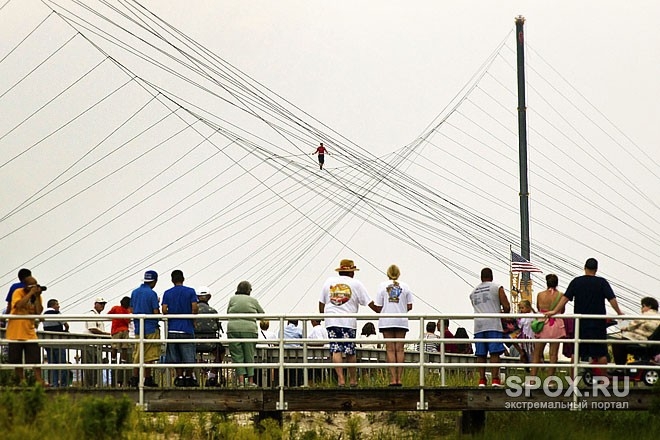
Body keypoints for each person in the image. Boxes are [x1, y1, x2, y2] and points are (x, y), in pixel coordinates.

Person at [546, 258, 623, 369]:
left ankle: (573, 381)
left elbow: (565, 298)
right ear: (596, 269)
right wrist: (619, 312)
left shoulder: (576, 282)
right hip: (598, 323)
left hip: (580, 323)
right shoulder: (602, 282)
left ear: (585, 268)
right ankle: (603, 381)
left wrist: (554, 311)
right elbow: (612, 299)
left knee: (576, 352)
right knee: (601, 353)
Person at [319, 258, 378, 387]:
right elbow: (369, 303)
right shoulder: (356, 284)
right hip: (348, 321)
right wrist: (381, 310)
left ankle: (340, 379)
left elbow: (321, 302)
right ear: (352, 272)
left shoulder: (329, 282)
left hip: (332, 320)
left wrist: (324, 317)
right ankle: (352, 379)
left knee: (336, 349)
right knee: (350, 350)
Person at [372, 264, 413, 387]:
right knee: (400, 349)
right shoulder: (405, 287)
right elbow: (410, 306)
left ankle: (392, 379)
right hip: (401, 320)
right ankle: (399, 379)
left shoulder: (382, 286)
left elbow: (378, 306)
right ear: (398, 274)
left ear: (388, 274)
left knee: (390, 349)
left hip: (387, 320)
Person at [469, 267, 511, 387]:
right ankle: (495, 380)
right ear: (491, 276)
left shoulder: (473, 292)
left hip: (478, 325)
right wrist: (503, 314)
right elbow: (506, 306)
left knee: (481, 354)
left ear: (481, 277)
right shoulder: (497, 287)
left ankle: (482, 380)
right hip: (493, 324)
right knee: (494, 353)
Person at [162, 269, 199, 387]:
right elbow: (194, 308)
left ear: (172, 280)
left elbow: (164, 310)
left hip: (172, 328)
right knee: (189, 355)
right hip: (186, 328)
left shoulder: (167, 293)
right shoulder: (190, 291)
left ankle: (179, 376)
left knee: (175, 356)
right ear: (183, 279)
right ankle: (188, 376)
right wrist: (193, 320)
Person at [6, 275, 44, 385]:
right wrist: (30, 293)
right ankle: (21, 381)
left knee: (35, 358)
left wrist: (36, 296)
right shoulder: (18, 292)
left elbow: (38, 311)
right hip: (15, 331)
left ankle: (39, 381)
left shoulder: (36, 296)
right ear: (26, 286)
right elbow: (19, 305)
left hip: (30, 331)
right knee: (16, 359)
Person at [226, 281, 264, 387]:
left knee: (237, 355)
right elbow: (262, 315)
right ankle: (250, 382)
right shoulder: (253, 300)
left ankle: (241, 381)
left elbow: (228, 312)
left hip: (233, 328)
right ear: (249, 290)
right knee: (249, 355)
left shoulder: (232, 299)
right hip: (249, 329)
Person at [128, 270, 161, 388]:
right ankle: (147, 379)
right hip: (151, 327)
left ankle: (134, 378)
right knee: (150, 355)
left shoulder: (135, 292)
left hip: (138, 328)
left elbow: (131, 309)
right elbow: (155, 312)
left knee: (137, 354)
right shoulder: (152, 294)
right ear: (154, 281)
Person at [530, 274, 566, 379]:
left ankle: (532, 379)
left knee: (537, 353)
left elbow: (538, 307)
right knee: (553, 354)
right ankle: (550, 380)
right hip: (556, 324)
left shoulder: (540, 295)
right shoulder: (561, 295)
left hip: (543, 323)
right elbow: (562, 311)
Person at [610, 296, 660, 366]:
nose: (641, 309)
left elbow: (633, 324)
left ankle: (620, 368)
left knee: (618, 344)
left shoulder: (648, 314)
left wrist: (625, 328)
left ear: (649, 306)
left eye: (643, 306)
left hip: (641, 340)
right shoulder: (658, 316)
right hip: (649, 342)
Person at [194, 286, 225, 387]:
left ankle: (192, 376)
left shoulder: (192, 311)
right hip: (210, 342)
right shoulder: (213, 311)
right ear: (209, 297)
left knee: (185, 352)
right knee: (220, 351)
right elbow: (216, 327)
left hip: (194, 342)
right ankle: (212, 375)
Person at [83, 296, 110, 387]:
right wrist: (105, 334)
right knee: (90, 368)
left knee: (95, 367)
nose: (102, 306)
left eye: (103, 304)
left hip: (96, 346)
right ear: (95, 304)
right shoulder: (91, 314)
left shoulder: (98, 316)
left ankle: (93, 384)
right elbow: (92, 329)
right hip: (90, 345)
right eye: (101, 304)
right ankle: (89, 386)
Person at [42, 298, 69, 387]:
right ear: (53, 305)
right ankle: (64, 384)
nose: (58, 306)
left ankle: (54, 384)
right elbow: (66, 324)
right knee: (62, 364)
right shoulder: (57, 313)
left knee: (52, 364)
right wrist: (66, 330)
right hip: (58, 341)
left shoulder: (44, 315)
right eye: (57, 304)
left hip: (48, 342)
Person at [107, 296, 132, 387]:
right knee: (124, 347)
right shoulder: (128, 312)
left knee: (115, 346)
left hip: (116, 330)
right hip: (125, 330)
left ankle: (113, 359)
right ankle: (123, 360)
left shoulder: (115, 308)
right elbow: (128, 321)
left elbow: (109, 314)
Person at [516, 300, 535, 369]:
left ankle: (531, 368)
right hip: (526, 338)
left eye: (522, 308)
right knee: (529, 353)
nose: (521, 310)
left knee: (530, 353)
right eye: (520, 308)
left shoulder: (528, 317)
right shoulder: (531, 315)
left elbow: (520, 325)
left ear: (528, 308)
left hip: (529, 337)